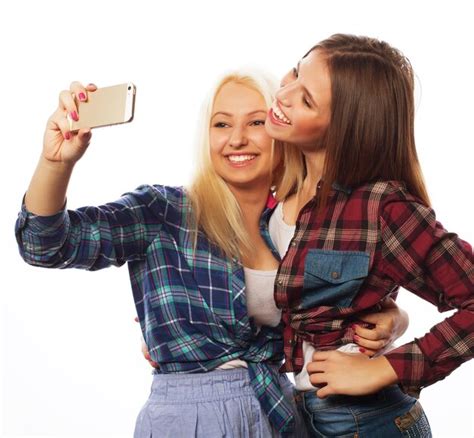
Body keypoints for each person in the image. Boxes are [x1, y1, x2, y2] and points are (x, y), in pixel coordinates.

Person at [15, 69, 408, 437]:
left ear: (279, 129)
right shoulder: (164, 211)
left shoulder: (300, 225)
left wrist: (394, 317)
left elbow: (346, 307)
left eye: (255, 122)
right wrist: (55, 163)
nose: (236, 139)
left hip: (281, 411)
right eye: (221, 124)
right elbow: (45, 245)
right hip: (189, 419)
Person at [263, 33, 473, 437]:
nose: (284, 94)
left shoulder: (383, 207)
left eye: (306, 100)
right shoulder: (277, 183)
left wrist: (387, 367)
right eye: (294, 72)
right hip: (297, 414)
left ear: (344, 128)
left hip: (368, 421)